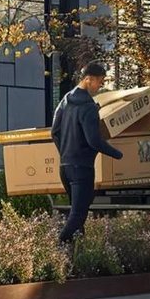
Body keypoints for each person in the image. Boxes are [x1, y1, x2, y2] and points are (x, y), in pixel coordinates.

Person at [50, 61, 124, 245]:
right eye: (100, 81)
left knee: (78, 218)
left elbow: (54, 132)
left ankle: (76, 259)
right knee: (78, 215)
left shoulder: (65, 100)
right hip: (82, 168)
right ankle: (54, 248)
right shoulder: (89, 107)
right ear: (88, 79)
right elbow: (93, 140)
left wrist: (65, 153)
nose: (101, 86)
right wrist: (118, 154)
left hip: (65, 168)